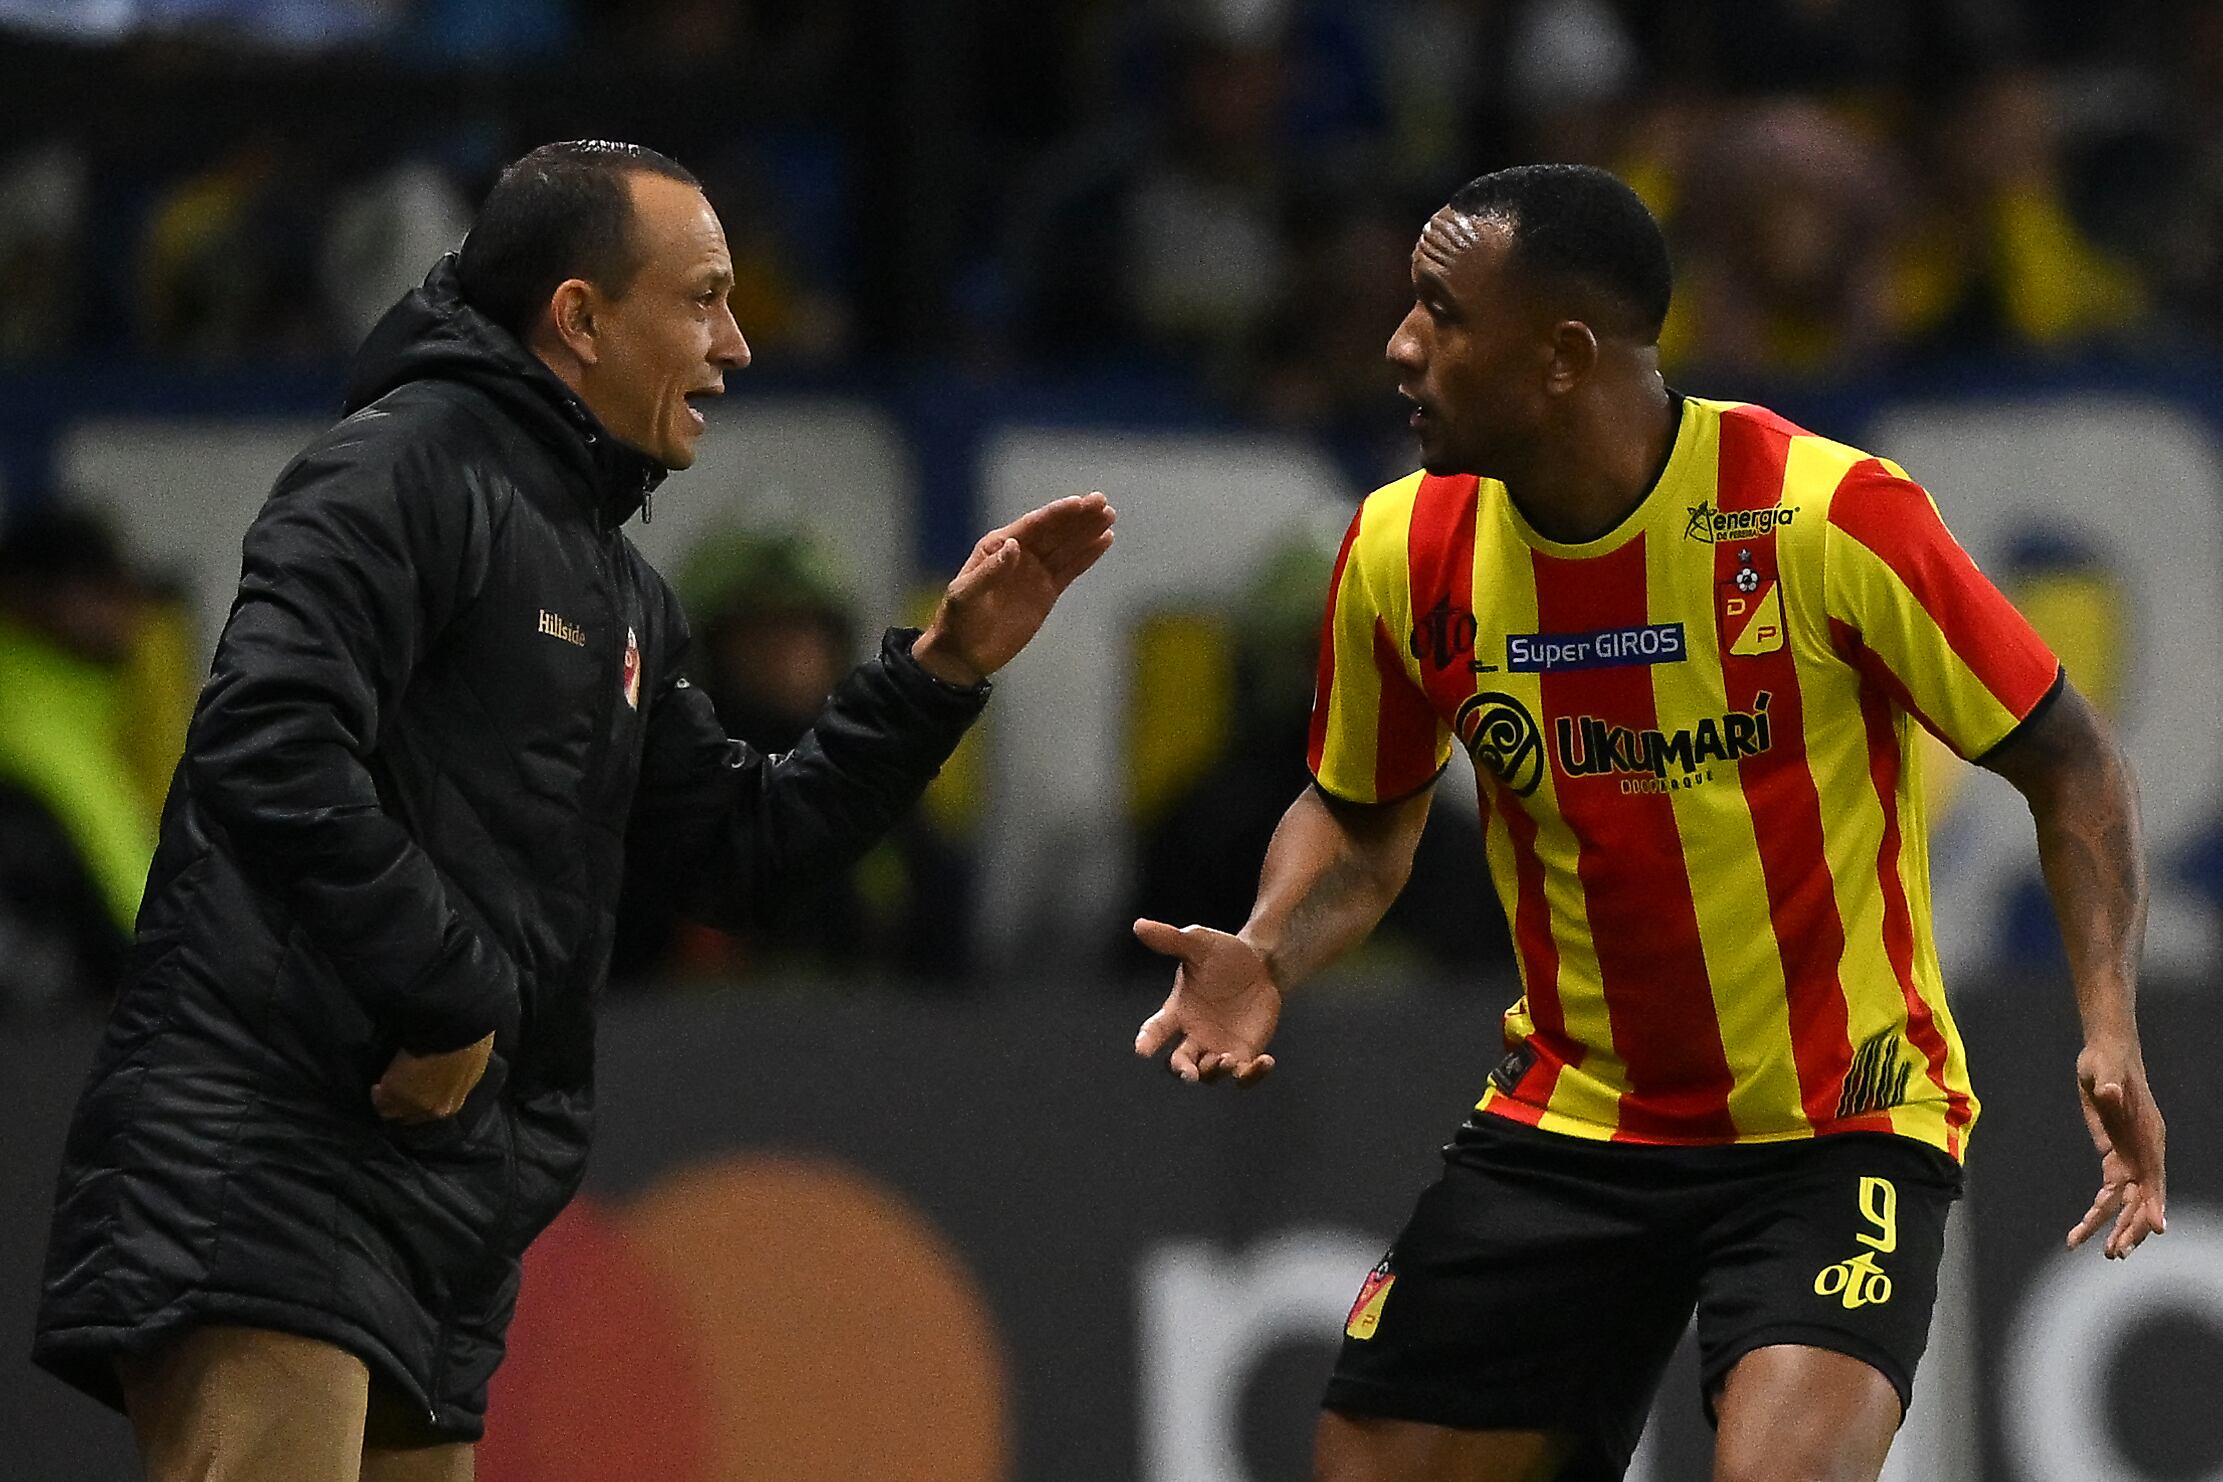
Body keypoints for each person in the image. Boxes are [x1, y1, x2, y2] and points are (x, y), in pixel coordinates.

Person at [34, 139, 1115, 1482]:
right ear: (581, 317)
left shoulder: (618, 592)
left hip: (431, 1211)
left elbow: (740, 852)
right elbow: (269, 742)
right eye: (703, 298)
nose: (737, 343)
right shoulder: (396, 472)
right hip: (275, 1166)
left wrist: (937, 675)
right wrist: (453, 997)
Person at [1132, 163, 2165, 1482]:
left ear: (1564, 355)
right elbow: (1362, 815)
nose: (1398, 344)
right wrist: (1268, 947)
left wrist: (2110, 1024)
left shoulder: (1825, 519)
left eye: (1441, 314)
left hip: (1834, 1125)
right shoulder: (1405, 552)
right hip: (1575, 1124)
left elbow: (2074, 762)